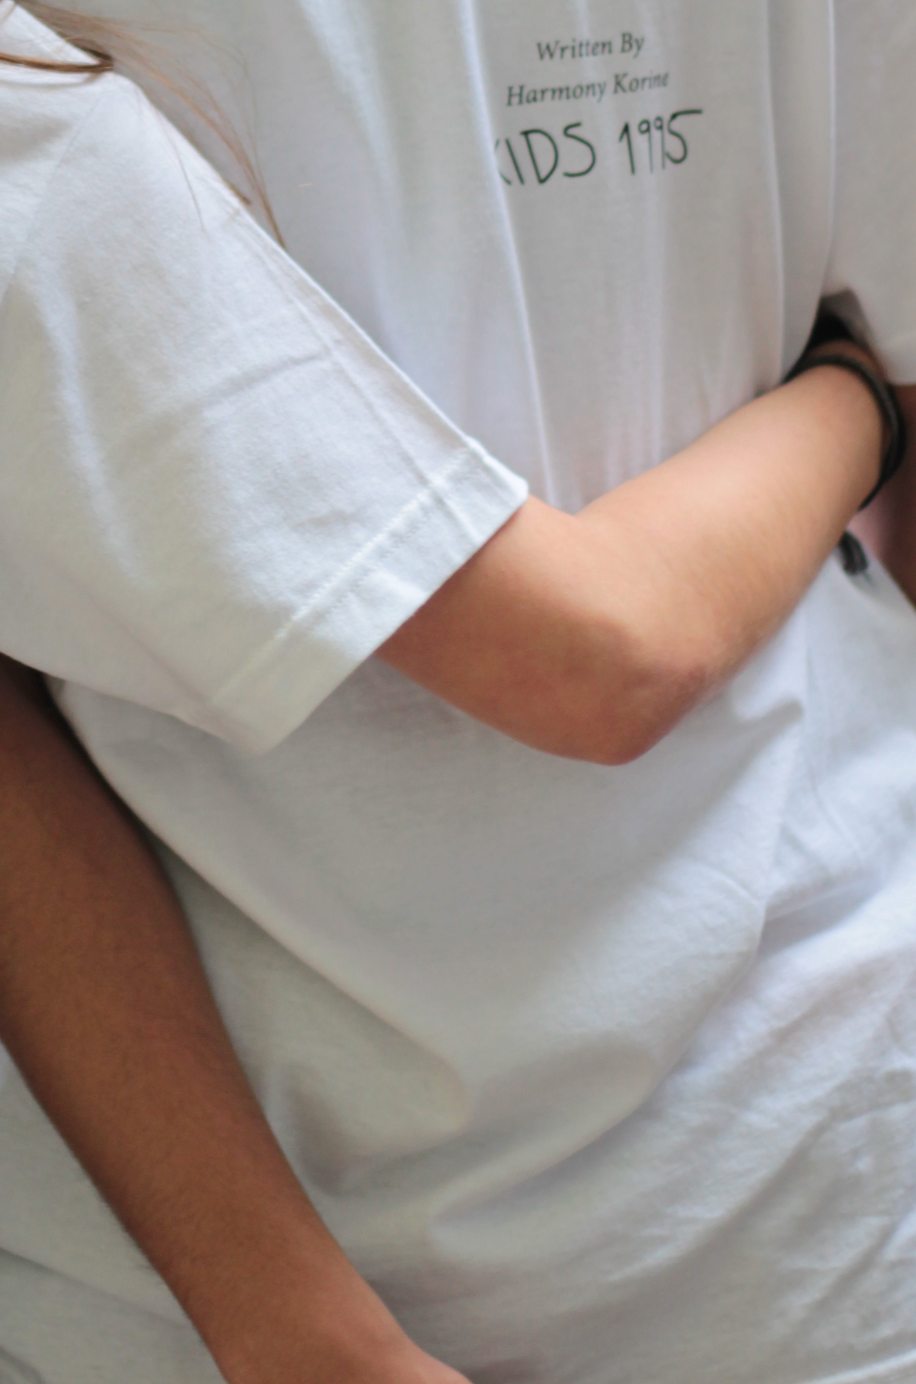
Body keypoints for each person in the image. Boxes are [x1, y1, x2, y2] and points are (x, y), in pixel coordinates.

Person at [1, 2, 916, 1382]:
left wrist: (288, 1326)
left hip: (796, 1178)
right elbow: (599, 656)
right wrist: (859, 399)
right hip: (813, 1172)